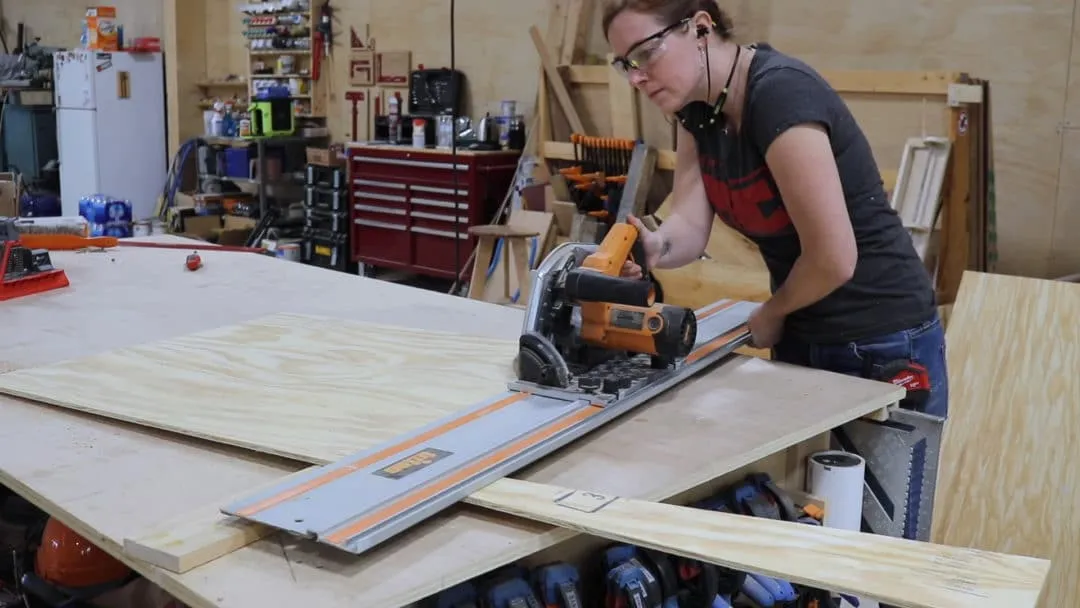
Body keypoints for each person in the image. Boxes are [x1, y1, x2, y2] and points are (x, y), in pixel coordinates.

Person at [601, 0, 949, 418]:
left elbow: (834, 258)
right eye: (625, 64)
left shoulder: (779, 95)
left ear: (699, 28)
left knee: (873, 485)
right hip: (803, 329)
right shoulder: (695, 111)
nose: (636, 77)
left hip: (881, 337)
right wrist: (657, 246)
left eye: (645, 53)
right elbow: (691, 224)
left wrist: (772, 311)